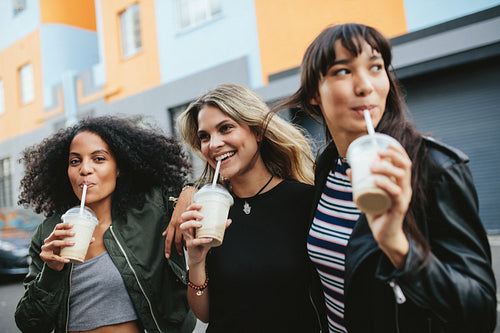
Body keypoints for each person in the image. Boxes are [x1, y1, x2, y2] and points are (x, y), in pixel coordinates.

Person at [273, 23, 497, 333]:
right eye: (342, 71)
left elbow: (481, 312)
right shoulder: (327, 165)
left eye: (376, 67)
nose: (365, 85)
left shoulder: (434, 169)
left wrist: (398, 247)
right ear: (314, 92)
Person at [15, 116, 196, 333]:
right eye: (75, 161)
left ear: (118, 168)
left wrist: (190, 191)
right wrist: (51, 272)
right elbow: (29, 324)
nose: (85, 169)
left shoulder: (151, 210)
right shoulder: (49, 233)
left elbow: (221, 181)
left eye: (98, 159)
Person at [176, 82, 323, 332]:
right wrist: (197, 261)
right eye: (205, 137)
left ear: (257, 131)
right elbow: (205, 314)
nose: (214, 144)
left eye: (226, 128)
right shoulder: (208, 211)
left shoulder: (305, 201)